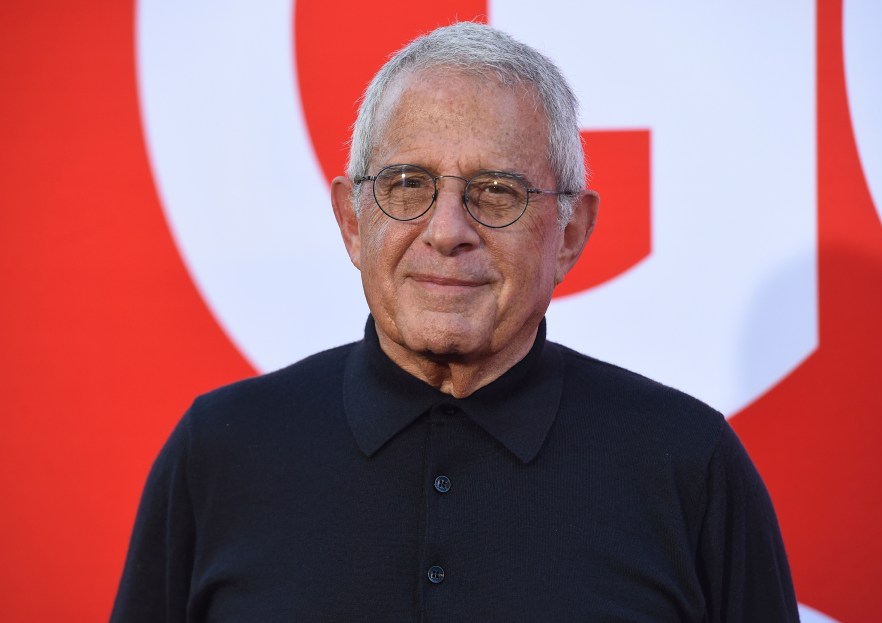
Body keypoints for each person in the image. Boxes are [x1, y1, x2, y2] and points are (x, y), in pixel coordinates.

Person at [111, 22, 800, 622]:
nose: (446, 232)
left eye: (495, 192)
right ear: (353, 220)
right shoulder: (219, 454)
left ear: (569, 234)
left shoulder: (690, 467)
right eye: (407, 184)